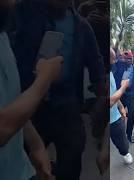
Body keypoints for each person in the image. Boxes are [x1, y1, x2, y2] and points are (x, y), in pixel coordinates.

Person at [10, 0, 105, 179]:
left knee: (71, 161)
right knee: (27, 164)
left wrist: (103, 95)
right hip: (31, 105)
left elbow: (96, 62)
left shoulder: (81, 26)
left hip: (67, 104)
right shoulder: (24, 15)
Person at [0, 1, 64, 180]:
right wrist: (44, 79)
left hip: (20, 169)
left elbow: (10, 100)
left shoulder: (3, 34)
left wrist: (35, 144)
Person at [106, 47, 133, 166]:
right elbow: (110, 101)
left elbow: (113, 91)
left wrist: (121, 106)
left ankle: (125, 152)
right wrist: (123, 87)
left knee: (122, 142)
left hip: (114, 118)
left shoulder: (111, 72)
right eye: (112, 59)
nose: (114, 62)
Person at [114, 50, 134, 143]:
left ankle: (129, 135)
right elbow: (114, 54)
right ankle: (119, 134)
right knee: (118, 116)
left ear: (132, 59)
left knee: (131, 115)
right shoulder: (118, 65)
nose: (128, 60)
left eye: (129, 59)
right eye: (125, 59)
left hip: (130, 95)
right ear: (122, 59)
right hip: (120, 95)